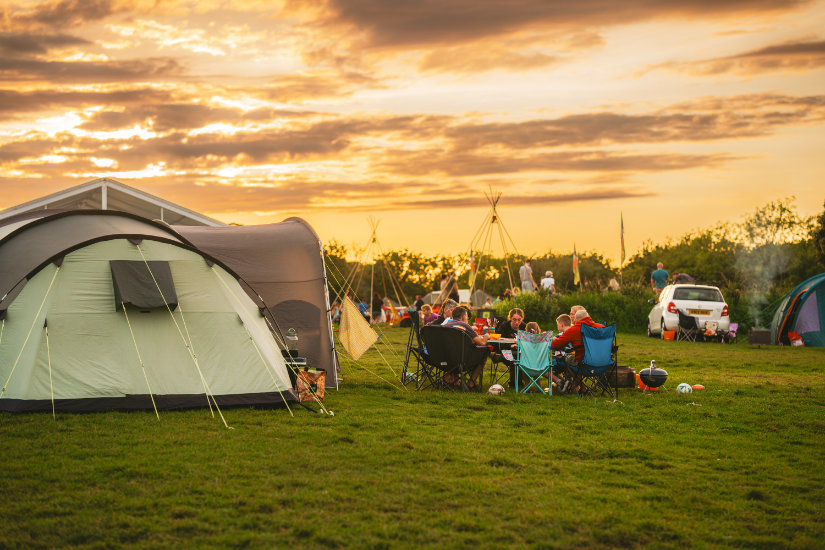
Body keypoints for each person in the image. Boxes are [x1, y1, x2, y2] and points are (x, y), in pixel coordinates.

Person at [443, 306, 489, 389]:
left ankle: (454, 380)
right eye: (467, 318)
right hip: (462, 360)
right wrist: (486, 336)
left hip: (447, 359)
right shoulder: (464, 325)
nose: (467, 320)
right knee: (485, 352)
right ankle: (471, 383)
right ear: (463, 317)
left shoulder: (446, 325)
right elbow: (481, 342)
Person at [494, 308, 526, 388]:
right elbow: (499, 343)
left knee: (520, 356)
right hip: (506, 352)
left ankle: (521, 383)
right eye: (514, 319)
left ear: (522, 319)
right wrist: (511, 346)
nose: (517, 322)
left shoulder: (524, 327)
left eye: (519, 320)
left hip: (521, 352)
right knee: (515, 357)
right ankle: (515, 384)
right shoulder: (505, 326)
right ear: (510, 318)